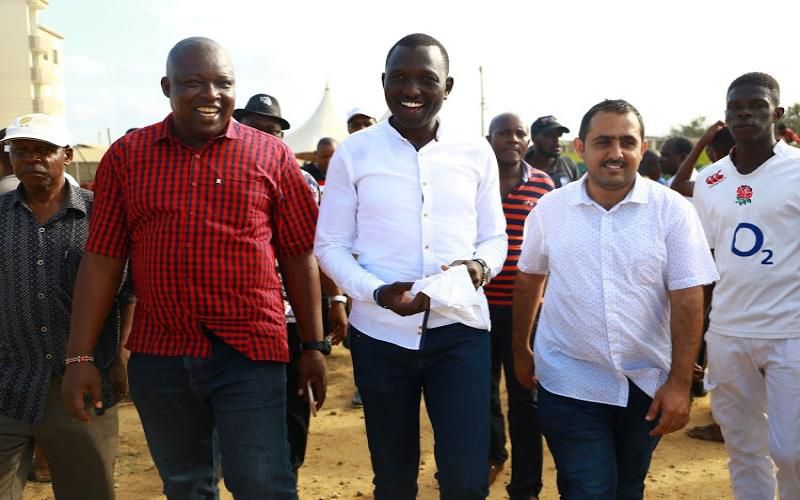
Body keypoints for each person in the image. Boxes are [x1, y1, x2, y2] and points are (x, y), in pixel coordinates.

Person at [60, 37, 327, 500]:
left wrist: (313, 344)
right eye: (193, 83)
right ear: (167, 86)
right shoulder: (127, 156)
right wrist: (80, 356)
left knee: (262, 484)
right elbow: (102, 258)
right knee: (185, 486)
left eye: (223, 83)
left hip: (250, 353)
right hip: (161, 354)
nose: (211, 94)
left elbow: (299, 254)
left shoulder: (272, 155)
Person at [315, 33, 507, 499]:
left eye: (426, 79)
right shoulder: (355, 153)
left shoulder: (475, 151)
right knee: (395, 478)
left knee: (465, 480)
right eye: (399, 78)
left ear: (449, 86)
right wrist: (377, 292)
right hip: (380, 336)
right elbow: (330, 246)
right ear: (384, 82)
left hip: (459, 332)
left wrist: (480, 267)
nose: (411, 90)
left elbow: (495, 237)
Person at [512, 99, 718, 499]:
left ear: (643, 147)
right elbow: (529, 277)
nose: (616, 153)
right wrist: (521, 347)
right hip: (569, 379)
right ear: (580, 147)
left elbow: (689, 297)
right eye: (603, 141)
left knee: (627, 487)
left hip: (646, 384)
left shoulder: (672, 211)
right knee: (588, 489)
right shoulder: (551, 209)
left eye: (627, 141)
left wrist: (679, 382)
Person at [0, 113, 134, 500]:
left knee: (87, 491)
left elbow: (130, 293)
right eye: (21, 151)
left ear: (67, 155)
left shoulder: (102, 214)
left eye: (43, 150)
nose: (31, 160)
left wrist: (122, 356)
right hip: (9, 381)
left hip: (81, 383)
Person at [692, 72, 800, 500]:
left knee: (791, 451)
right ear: (725, 116)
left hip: (789, 334)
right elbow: (701, 264)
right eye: (735, 107)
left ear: (777, 112)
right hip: (727, 335)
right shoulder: (710, 181)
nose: (744, 113)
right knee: (743, 448)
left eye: (755, 105)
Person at [233, 91, 347, 476]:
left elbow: (314, 249)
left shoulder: (302, 181)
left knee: (294, 406)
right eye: (256, 128)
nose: (265, 138)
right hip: (241, 319)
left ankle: (288, 477)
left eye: (273, 131)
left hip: (293, 319)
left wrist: (335, 299)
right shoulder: (220, 173)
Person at [483, 112, 553, 499]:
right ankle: (492, 456)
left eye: (519, 133)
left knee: (526, 398)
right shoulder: (476, 183)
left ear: (527, 140)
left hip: (527, 313)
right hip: (477, 311)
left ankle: (526, 485)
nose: (512, 139)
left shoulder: (543, 184)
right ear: (489, 138)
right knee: (481, 393)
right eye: (504, 133)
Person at [669, 122, 735, 197]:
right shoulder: (748, 181)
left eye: (709, 150)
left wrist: (701, 143)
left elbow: (678, 186)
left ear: (717, 155)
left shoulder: (716, 185)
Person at [524, 115, 579, 188]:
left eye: (559, 135)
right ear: (534, 138)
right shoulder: (520, 168)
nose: (556, 139)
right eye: (549, 135)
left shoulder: (569, 166)